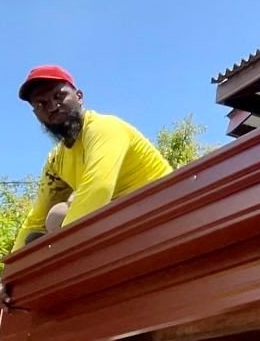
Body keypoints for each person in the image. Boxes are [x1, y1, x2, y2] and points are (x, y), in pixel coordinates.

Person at [13, 66, 172, 248]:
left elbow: (98, 189)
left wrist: (60, 251)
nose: (52, 106)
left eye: (59, 96)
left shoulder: (103, 128)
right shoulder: (56, 161)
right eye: (41, 104)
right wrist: (12, 265)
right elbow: (36, 219)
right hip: (127, 223)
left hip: (165, 210)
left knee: (64, 217)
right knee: (54, 217)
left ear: (79, 96)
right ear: (36, 114)